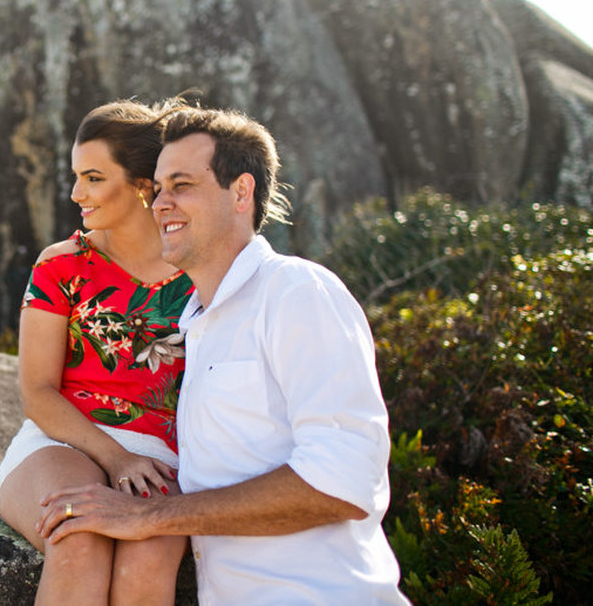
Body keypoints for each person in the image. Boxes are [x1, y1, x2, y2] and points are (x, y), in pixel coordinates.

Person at [36, 105, 410, 604]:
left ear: (241, 192)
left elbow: (343, 480)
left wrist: (150, 517)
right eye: (159, 187)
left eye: (183, 185)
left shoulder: (296, 291)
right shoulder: (196, 324)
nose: (161, 203)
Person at [0, 99, 196, 605]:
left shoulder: (200, 273)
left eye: (94, 178)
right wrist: (116, 457)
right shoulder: (61, 266)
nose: (76, 193)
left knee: (147, 557)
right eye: (77, 176)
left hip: (161, 456)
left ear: (144, 184)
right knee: (78, 536)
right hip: (61, 443)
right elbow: (37, 394)